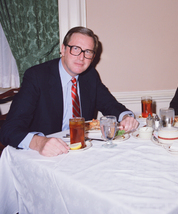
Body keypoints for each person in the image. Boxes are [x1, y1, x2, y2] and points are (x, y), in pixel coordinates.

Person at [0, 27, 139, 157]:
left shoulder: (90, 76)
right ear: (63, 49)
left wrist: (126, 117)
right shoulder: (37, 76)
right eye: (76, 49)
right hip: (47, 154)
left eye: (88, 52)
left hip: (81, 151)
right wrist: (39, 142)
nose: (81, 57)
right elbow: (8, 130)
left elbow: (110, 104)